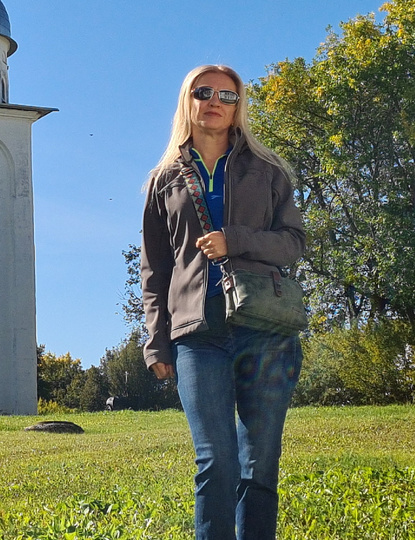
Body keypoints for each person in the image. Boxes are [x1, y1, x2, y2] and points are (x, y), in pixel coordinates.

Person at [140, 64, 305, 539]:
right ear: (187, 101)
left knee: (260, 460)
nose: (214, 101)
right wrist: (156, 341)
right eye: (203, 92)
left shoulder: (268, 170)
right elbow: (155, 270)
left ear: (238, 109)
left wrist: (234, 240)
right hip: (198, 335)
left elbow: (294, 242)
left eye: (226, 96)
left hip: (266, 330)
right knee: (216, 459)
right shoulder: (164, 180)